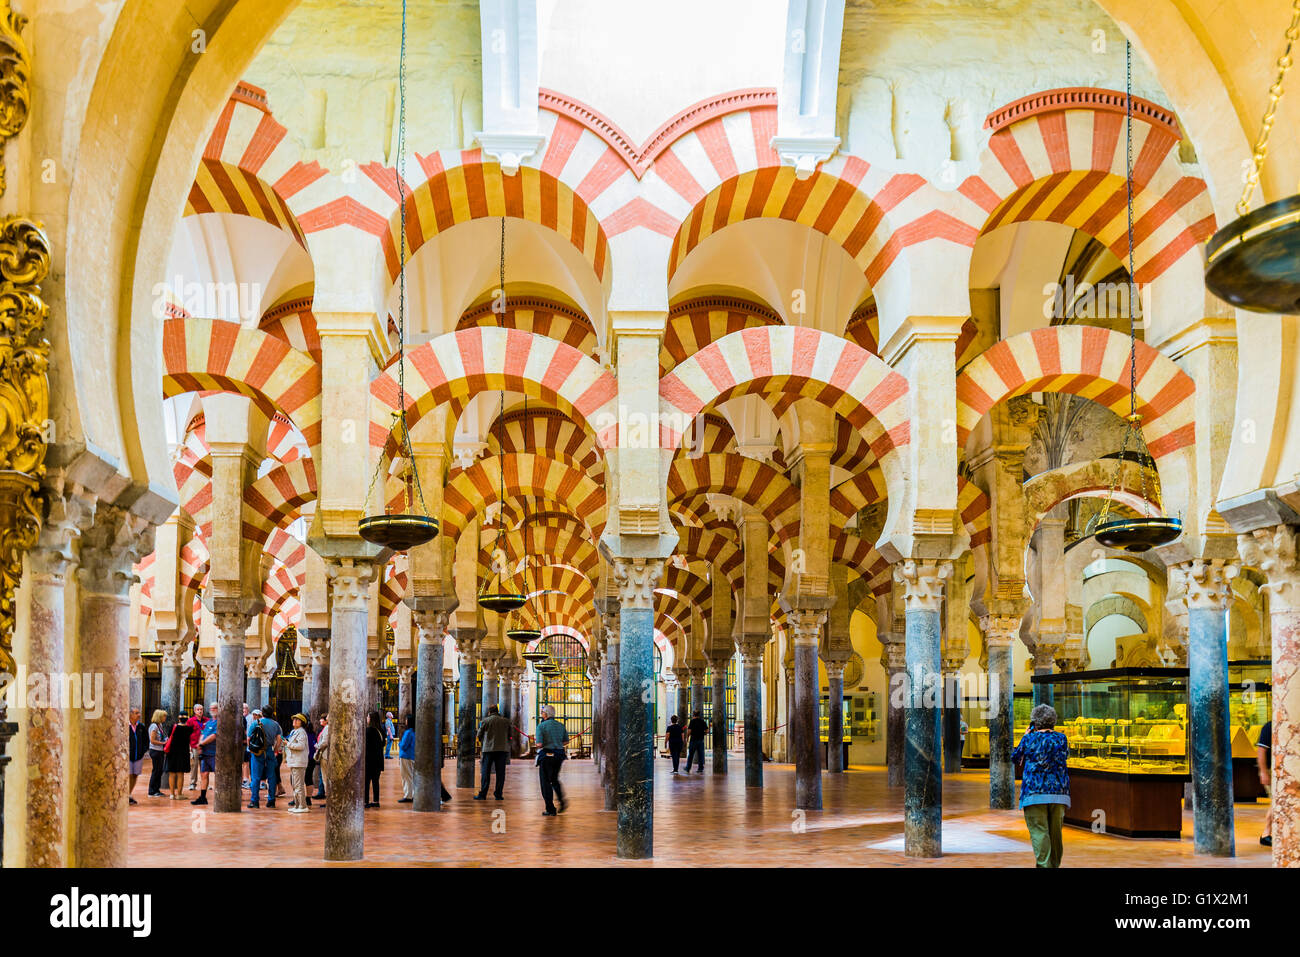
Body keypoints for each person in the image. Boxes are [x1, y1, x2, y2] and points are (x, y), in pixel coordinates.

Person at [1011, 703, 1070, 868]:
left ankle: (1045, 865)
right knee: (1055, 833)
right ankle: (1055, 864)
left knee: (1039, 831)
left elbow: (1015, 758)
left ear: (1035, 722)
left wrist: (1026, 735)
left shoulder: (1029, 738)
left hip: (1034, 792)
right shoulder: (1062, 738)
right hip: (1059, 791)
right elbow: (1065, 756)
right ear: (1053, 721)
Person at [535, 704, 569, 816]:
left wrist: (539, 744)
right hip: (559, 755)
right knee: (554, 779)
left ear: (546, 714)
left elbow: (539, 744)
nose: (541, 714)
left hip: (546, 756)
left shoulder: (541, 726)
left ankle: (550, 809)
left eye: (542, 713)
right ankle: (562, 800)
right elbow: (565, 742)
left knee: (545, 783)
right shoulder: (560, 725)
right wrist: (556, 742)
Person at [475, 704, 511, 800]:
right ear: (497, 711)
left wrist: (484, 741)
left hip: (488, 749)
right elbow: (510, 736)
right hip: (502, 750)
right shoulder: (506, 721)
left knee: (485, 772)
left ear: (489, 712)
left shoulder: (485, 721)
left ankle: (483, 794)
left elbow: (479, 735)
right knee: (500, 773)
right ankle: (498, 794)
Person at [247, 709, 281, 808]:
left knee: (256, 777)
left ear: (262, 713)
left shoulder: (256, 723)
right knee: (271, 776)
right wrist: (275, 749)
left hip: (258, 752)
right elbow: (279, 738)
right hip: (270, 751)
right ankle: (271, 800)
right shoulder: (275, 724)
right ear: (272, 713)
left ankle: (255, 801)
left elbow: (249, 738)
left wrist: (252, 749)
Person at [191, 703, 218, 805]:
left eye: (215, 708)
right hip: (205, 753)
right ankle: (203, 797)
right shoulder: (209, 722)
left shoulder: (219, 722)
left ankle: (219, 796)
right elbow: (203, 733)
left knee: (218, 774)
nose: (212, 710)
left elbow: (214, 736)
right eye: (211, 708)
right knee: (204, 774)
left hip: (214, 753)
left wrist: (201, 743)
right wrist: (199, 745)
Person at [284, 713, 311, 812]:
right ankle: (297, 805)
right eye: (294, 719)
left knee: (299, 785)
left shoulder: (302, 732)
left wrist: (288, 744)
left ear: (302, 722)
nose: (294, 721)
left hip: (299, 762)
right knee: (295, 784)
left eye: (297, 720)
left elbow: (300, 746)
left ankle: (302, 806)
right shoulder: (294, 731)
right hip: (294, 761)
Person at [164, 712, 194, 800]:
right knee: (180, 773)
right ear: (187, 719)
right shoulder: (189, 729)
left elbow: (169, 736)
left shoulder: (173, 727)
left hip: (172, 752)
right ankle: (179, 794)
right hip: (183, 752)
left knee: (172, 773)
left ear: (179, 718)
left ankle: (172, 794)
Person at [365, 711, 385, 807]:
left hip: (369, 760)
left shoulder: (369, 731)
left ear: (371, 719)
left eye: (368, 717)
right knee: (375, 781)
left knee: (366, 782)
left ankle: (365, 801)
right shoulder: (381, 730)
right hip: (378, 760)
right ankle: (376, 801)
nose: (367, 718)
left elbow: (365, 745)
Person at [147, 709, 169, 797]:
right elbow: (152, 740)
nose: (165, 718)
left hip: (159, 751)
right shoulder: (154, 726)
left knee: (159, 770)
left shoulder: (160, 725)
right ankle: (152, 791)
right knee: (156, 770)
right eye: (164, 716)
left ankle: (156, 789)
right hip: (155, 750)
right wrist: (163, 743)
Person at [127, 708, 147, 804]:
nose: (139, 715)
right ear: (130, 715)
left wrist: (142, 751)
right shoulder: (126, 726)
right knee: (129, 774)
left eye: (139, 713)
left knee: (135, 775)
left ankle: (129, 794)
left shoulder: (141, 727)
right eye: (136, 713)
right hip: (128, 756)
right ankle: (126, 795)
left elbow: (146, 740)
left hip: (138, 756)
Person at [1258, 720, 1272, 847]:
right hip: (1271, 770)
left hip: (1284, 770)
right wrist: (1263, 772)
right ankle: (1266, 834)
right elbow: (1261, 751)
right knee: (1277, 802)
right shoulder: (1269, 727)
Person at [185, 703, 206, 792]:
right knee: (194, 765)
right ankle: (193, 783)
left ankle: (204, 783)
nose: (200, 711)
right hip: (194, 746)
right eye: (198, 709)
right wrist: (189, 746)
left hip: (205, 747)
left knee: (204, 766)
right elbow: (187, 734)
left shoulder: (206, 720)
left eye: (201, 709)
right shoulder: (190, 721)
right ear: (194, 711)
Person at [398, 714, 416, 803]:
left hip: (406, 756)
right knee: (410, 776)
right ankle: (411, 794)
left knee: (406, 776)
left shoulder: (408, 732)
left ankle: (408, 796)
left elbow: (404, 745)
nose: (405, 721)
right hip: (412, 756)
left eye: (406, 720)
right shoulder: (414, 732)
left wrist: (399, 743)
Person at [313, 715, 329, 800]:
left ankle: (329, 800)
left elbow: (325, 742)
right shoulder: (327, 728)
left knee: (325, 778)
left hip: (325, 755)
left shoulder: (328, 728)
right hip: (326, 755)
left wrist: (317, 746)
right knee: (324, 777)